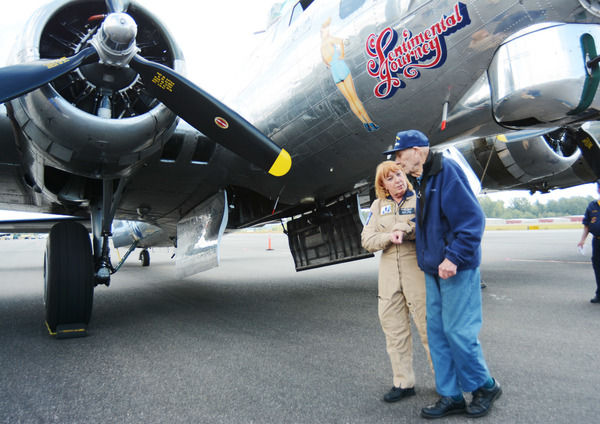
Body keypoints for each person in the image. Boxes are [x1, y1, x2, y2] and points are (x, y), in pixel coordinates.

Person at [383, 130, 501, 419]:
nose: (398, 163)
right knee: (436, 334)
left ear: (417, 151)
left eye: (400, 155)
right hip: (433, 269)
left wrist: (453, 257)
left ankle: (485, 386)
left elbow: (473, 221)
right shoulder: (422, 180)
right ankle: (451, 395)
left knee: (458, 332)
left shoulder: (447, 172)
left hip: (455, 268)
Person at [361, 161, 432, 403]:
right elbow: (367, 240)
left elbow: (424, 226)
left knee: (429, 329)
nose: (398, 180)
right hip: (389, 276)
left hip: (417, 271)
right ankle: (403, 383)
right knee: (395, 332)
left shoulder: (419, 200)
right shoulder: (377, 206)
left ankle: (446, 383)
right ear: (383, 185)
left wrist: (404, 227)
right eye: (390, 178)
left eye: (399, 174)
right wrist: (389, 237)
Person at [320, 18, 379, 132]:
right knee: (355, 98)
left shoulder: (322, 47)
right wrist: (341, 54)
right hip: (341, 68)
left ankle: (365, 123)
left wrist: (331, 64)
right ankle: (369, 122)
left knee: (350, 100)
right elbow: (342, 42)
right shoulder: (330, 39)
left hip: (335, 73)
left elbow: (325, 62)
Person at [577, 180, 600, 304]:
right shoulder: (592, 206)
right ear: (598, 190)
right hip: (597, 242)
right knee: (598, 268)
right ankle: (599, 294)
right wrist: (582, 240)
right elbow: (587, 225)